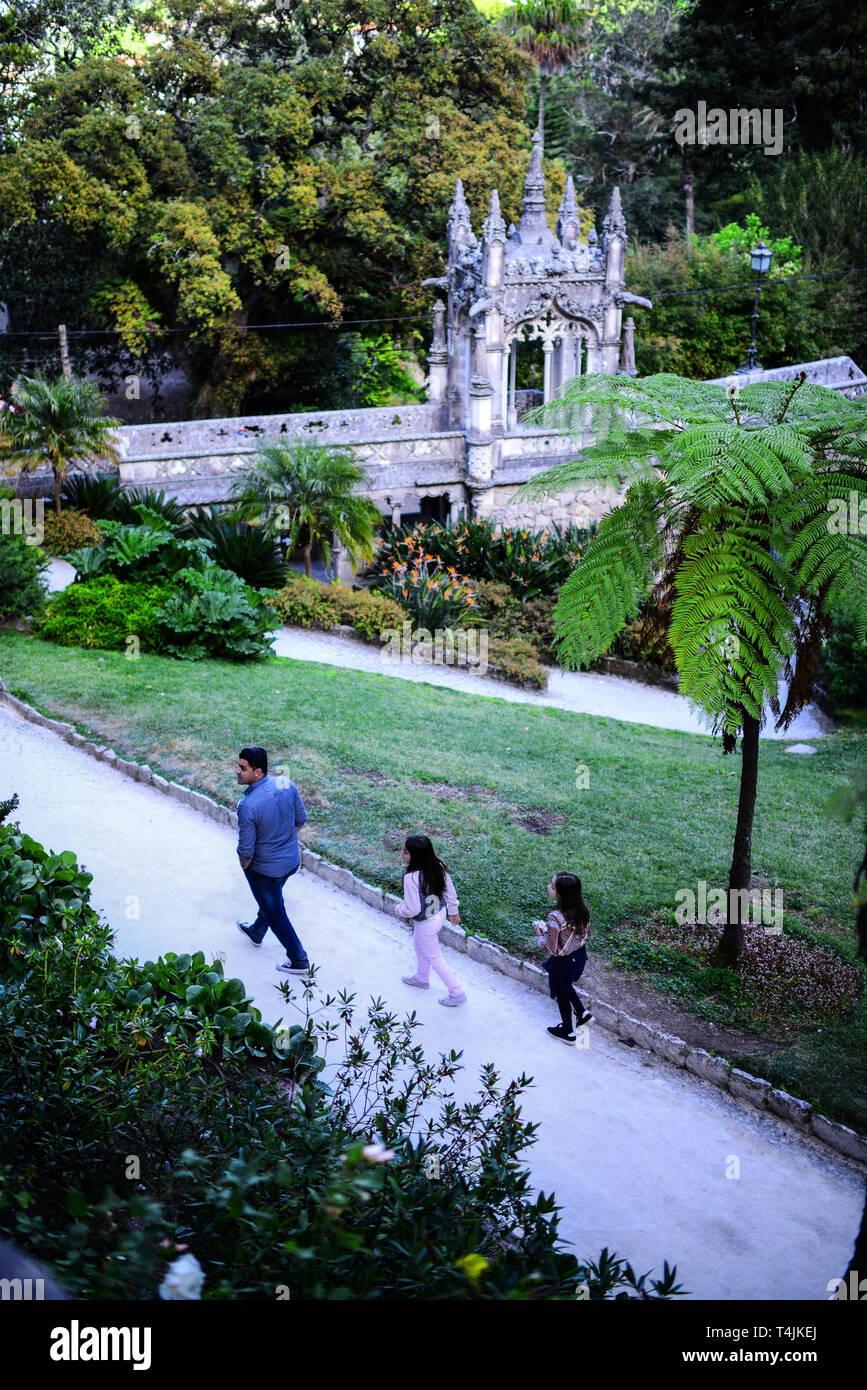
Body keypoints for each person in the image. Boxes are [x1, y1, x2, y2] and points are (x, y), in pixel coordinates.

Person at [234, 746, 311, 974]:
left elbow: (246, 852)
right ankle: (257, 931)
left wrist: (246, 866)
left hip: (265, 871)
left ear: (257, 772)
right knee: (271, 902)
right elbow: (301, 819)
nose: (236, 771)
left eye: (242, 768)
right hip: (290, 862)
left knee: (276, 913)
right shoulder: (286, 784)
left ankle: (299, 960)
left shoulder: (247, 807)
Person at [396, 834, 466, 1006]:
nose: (401, 853)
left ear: (415, 856)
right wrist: (453, 910)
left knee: (434, 957)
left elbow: (412, 909)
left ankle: (457, 992)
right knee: (418, 946)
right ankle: (422, 978)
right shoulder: (437, 865)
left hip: (425, 922)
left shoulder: (411, 877)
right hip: (439, 914)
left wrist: (398, 909)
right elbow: (449, 890)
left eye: (405, 851)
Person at [533, 872, 594, 1043]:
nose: (548, 887)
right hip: (579, 956)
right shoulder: (583, 910)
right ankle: (582, 1013)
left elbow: (552, 948)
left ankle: (568, 1032)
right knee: (566, 986)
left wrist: (540, 934)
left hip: (562, 961)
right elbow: (575, 934)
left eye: (552, 886)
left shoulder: (555, 918)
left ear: (562, 894)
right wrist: (550, 933)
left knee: (562, 993)